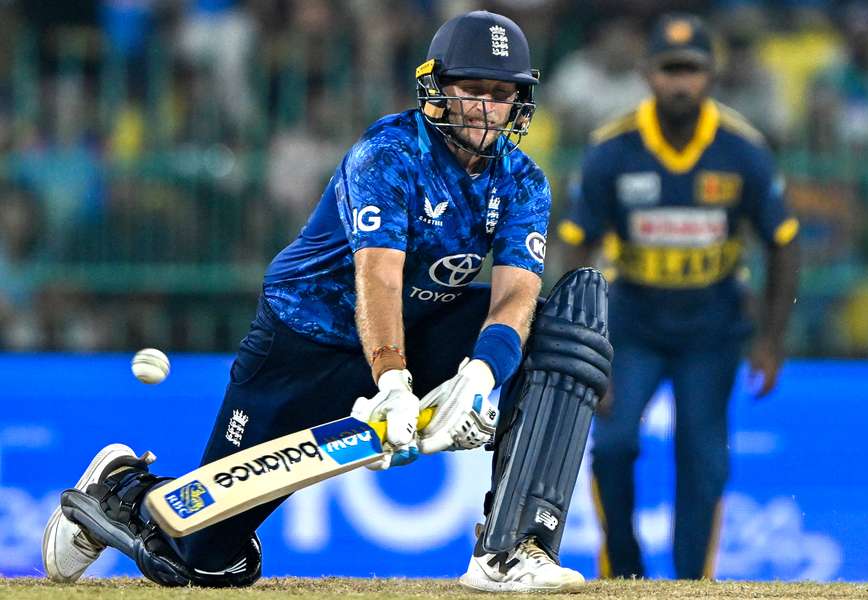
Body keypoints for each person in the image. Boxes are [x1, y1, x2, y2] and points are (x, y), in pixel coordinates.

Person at [43, 11, 612, 592]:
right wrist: (393, 382)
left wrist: (482, 374)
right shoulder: (388, 154)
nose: (486, 109)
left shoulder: (523, 180)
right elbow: (378, 278)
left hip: (422, 326)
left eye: (501, 94)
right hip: (304, 339)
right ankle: (122, 489)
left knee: (559, 327)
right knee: (204, 562)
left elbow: (517, 289)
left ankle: (512, 550)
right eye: (471, 91)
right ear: (436, 89)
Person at [557, 14, 799, 579]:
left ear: (712, 76)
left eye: (691, 70)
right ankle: (625, 572)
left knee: (703, 460)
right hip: (632, 324)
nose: (681, 83)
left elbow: (784, 244)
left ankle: (692, 585)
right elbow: (574, 248)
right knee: (612, 446)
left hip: (712, 330)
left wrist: (771, 339)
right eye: (670, 70)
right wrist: (583, 344)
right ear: (647, 74)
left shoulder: (743, 150)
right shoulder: (613, 149)